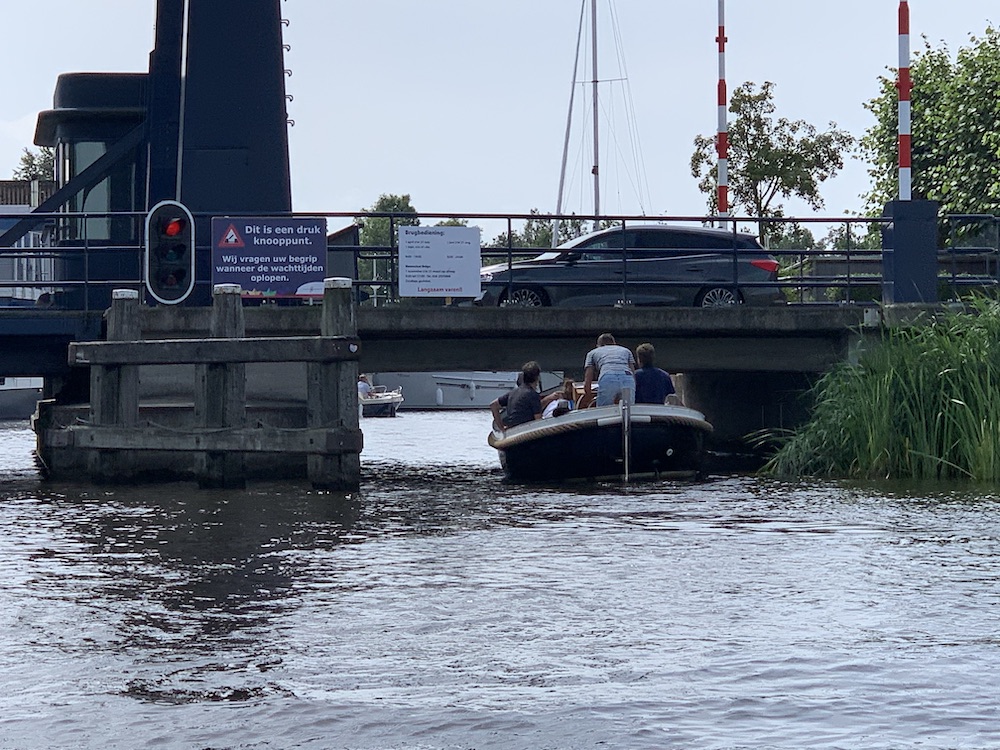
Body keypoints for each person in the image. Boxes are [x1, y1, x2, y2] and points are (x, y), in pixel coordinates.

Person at [583, 333, 636, 407]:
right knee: (629, 410)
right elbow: (632, 372)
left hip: (608, 376)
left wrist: (588, 396)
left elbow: (588, 377)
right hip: (627, 377)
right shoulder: (626, 351)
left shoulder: (592, 353)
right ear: (614, 343)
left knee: (604, 411)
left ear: (598, 345)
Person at [490, 361, 543, 431]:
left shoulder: (513, 393)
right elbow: (538, 421)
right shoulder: (533, 395)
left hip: (511, 431)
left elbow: (493, 405)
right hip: (526, 432)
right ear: (537, 377)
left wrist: (501, 428)